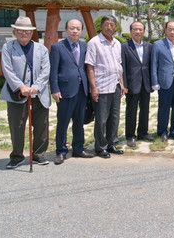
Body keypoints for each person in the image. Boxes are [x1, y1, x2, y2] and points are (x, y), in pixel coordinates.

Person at [1, 16, 51, 169]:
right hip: (17, 93)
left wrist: (36, 85)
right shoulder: (8, 47)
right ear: (15, 32)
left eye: (27, 31)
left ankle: (39, 154)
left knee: (41, 125)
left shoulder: (41, 48)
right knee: (17, 125)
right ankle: (16, 156)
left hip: (39, 93)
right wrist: (20, 86)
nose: (24, 33)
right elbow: (7, 70)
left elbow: (45, 69)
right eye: (20, 31)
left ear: (32, 33)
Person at [50, 19, 93, 165]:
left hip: (82, 90)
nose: (75, 31)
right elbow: (53, 70)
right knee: (63, 122)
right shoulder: (57, 47)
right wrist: (54, 89)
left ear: (81, 31)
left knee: (79, 121)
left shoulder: (84, 46)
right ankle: (61, 151)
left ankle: (78, 148)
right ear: (66, 30)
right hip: (65, 91)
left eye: (78, 28)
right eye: (72, 28)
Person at [86, 15, 125, 158]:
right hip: (101, 86)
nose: (109, 27)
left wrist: (122, 84)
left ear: (115, 27)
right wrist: (93, 87)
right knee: (101, 119)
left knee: (114, 118)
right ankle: (100, 147)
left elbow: (118, 65)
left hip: (115, 85)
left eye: (112, 24)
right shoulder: (94, 42)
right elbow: (90, 66)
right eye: (106, 24)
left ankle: (111, 143)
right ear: (101, 26)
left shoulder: (117, 43)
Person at [151, 21, 174, 142]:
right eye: (170, 29)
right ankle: (162, 131)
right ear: (165, 30)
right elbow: (154, 64)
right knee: (164, 108)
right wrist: (155, 82)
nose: (172, 32)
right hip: (164, 81)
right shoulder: (158, 44)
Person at [121, 21, 154, 147]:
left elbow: (150, 66)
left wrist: (152, 83)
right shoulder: (124, 46)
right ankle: (130, 135)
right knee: (131, 111)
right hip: (131, 84)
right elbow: (122, 66)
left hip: (146, 83)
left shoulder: (148, 46)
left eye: (140, 29)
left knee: (145, 110)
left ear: (144, 32)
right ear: (131, 31)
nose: (138, 32)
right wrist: (124, 85)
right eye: (135, 29)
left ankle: (143, 132)